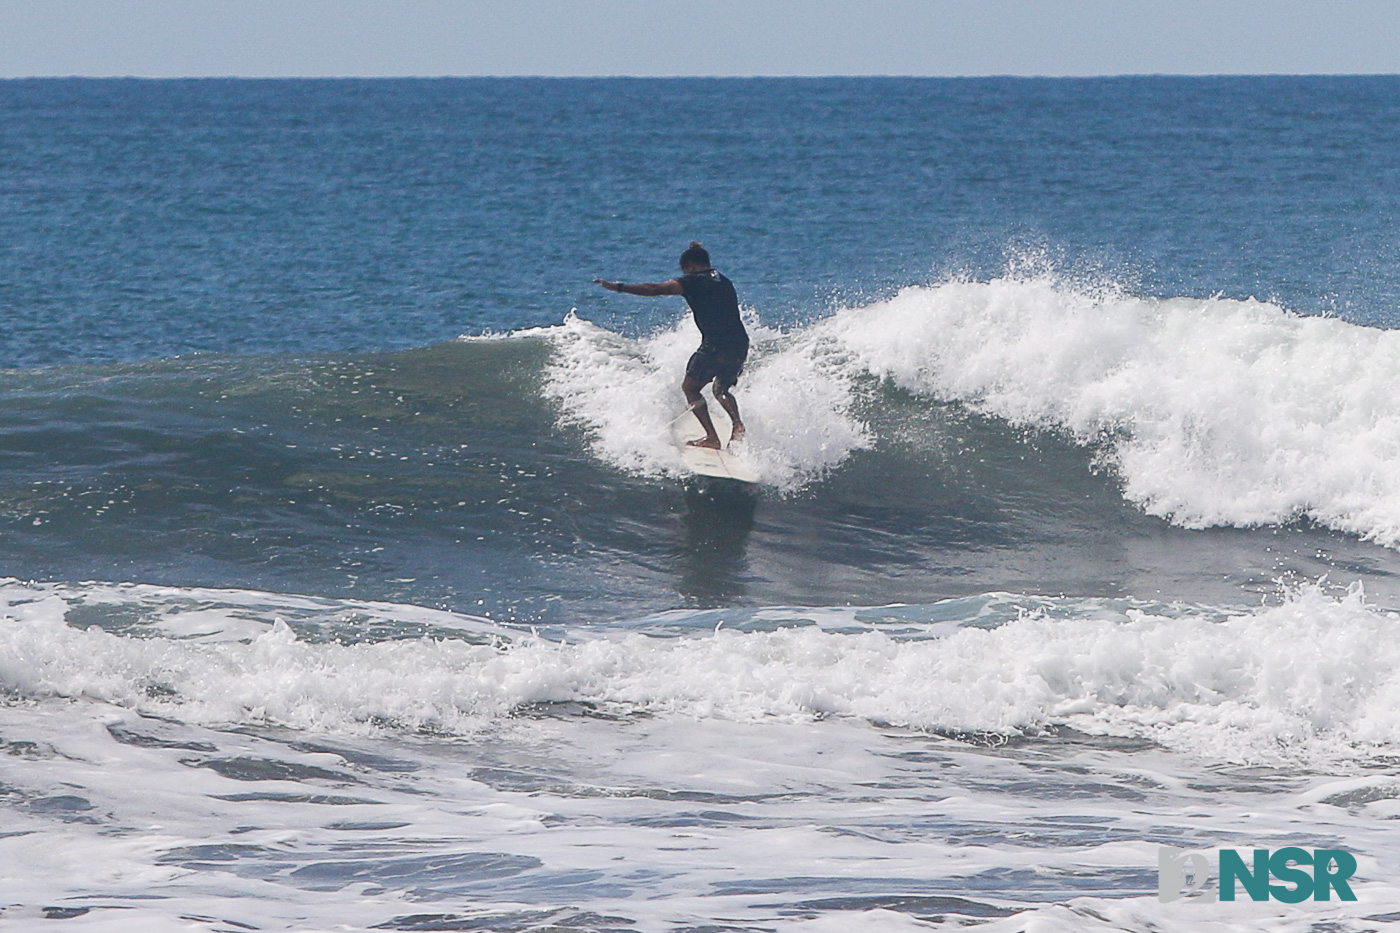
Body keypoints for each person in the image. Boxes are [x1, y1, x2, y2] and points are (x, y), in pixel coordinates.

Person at [594, 242, 749, 449]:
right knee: (721, 389)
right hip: (740, 343)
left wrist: (618, 287)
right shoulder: (724, 280)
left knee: (690, 388)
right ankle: (737, 425)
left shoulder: (693, 281)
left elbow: (655, 289)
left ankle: (712, 438)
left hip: (715, 345)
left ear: (691, 266)